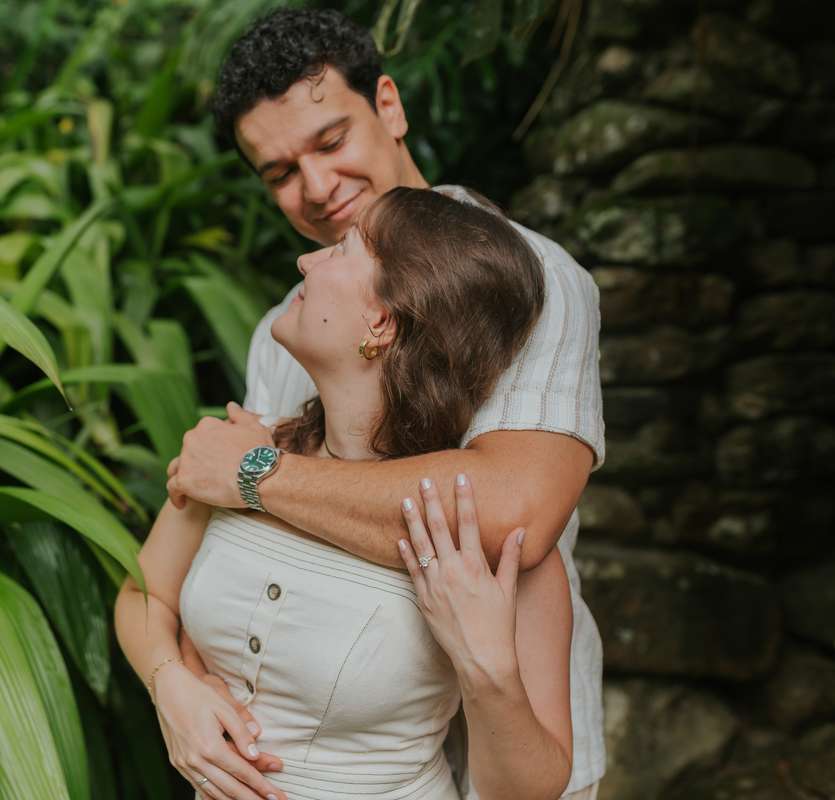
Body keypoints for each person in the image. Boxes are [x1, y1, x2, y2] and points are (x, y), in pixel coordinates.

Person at [164, 8, 605, 800]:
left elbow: (514, 511)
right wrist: (178, 683)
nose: (316, 187)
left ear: (390, 106)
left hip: (517, 732)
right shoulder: (285, 329)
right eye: (280, 173)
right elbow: (234, 551)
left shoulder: (535, 279)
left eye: (331, 140)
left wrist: (256, 474)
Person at [115, 187, 574, 800]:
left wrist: (488, 669)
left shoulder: (482, 535)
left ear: (382, 322)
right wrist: (169, 683)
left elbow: (528, 792)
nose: (305, 260)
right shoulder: (241, 451)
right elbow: (142, 594)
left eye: (341, 249)